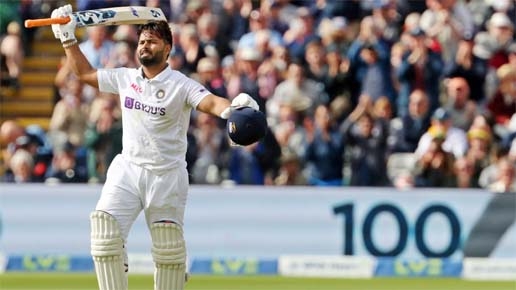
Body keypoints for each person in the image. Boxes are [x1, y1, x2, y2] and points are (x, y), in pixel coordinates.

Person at [50, 5, 260, 290]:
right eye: (141, 41)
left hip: (166, 177)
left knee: (168, 253)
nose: (144, 45)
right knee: (103, 230)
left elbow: (210, 102)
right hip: (128, 169)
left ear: (168, 48)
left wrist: (233, 109)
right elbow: (85, 73)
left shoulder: (181, 84)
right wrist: (68, 39)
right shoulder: (125, 78)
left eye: (151, 41)